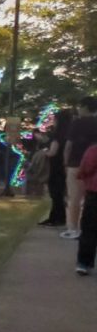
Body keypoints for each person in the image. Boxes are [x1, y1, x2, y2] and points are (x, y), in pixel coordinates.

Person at [62, 96, 97, 240]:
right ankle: (89, 228)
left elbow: (69, 145)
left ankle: (73, 228)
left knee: (74, 198)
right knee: (92, 198)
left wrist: (65, 163)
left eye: (80, 106)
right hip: (94, 165)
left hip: (76, 163)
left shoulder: (77, 123)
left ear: (85, 107)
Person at [39, 109, 73, 227]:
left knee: (55, 194)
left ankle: (56, 218)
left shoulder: (57, 135)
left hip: (55, 166)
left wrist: (44, 152)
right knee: (60, 192)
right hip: (65, 166)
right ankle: (60, 217)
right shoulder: (69, 134)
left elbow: (53, 152)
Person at [75, 142, 97, 275]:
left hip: (94, 191)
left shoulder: (94, 149)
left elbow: (86, 168)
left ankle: (84, 262)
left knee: (89, 228)